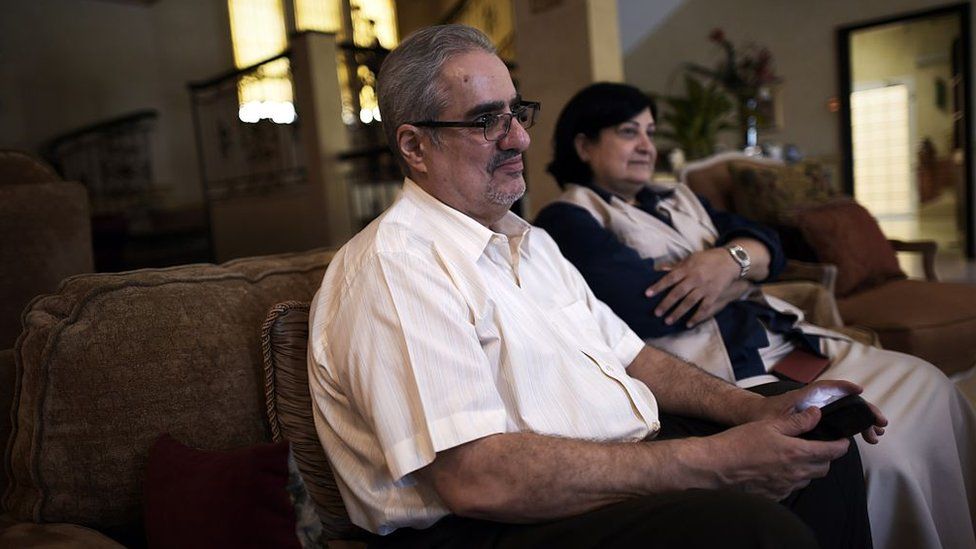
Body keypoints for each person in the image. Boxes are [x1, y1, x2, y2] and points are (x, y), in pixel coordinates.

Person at [308, 25, 883, 548]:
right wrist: (717, 460)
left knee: (821, 447)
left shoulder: (529, 243)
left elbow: (633, 357)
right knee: (754, 531)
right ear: (414, 147)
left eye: (517, 113)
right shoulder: (395, 269)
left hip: (608, 460)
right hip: (484, 526)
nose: (520, 140)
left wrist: (755, 410)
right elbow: (476, 478)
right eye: (486, 121)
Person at [534, 82, 976, 549]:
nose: (647, 146)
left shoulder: (678, 199)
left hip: (793, 341)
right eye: (629, 132)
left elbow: (771, 246)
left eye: (650, 131)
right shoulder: (568, 220)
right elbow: (653, 306)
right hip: (730, 371)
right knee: (885, 448)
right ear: (583, 145)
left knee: (931, 384)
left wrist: (725, 263)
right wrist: (745, 269)